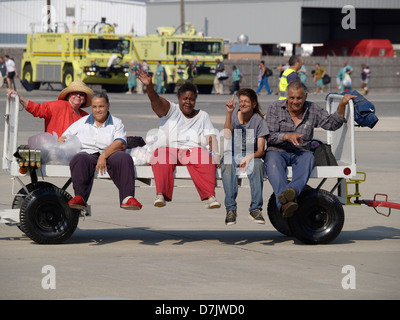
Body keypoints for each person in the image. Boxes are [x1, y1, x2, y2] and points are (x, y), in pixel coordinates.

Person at [264, 80, 356, 218]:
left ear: (305, 97)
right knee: (272, 163)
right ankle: (284, 204)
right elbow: (270, 137)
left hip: (301, 152)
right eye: (292, 98)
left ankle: (292, 191)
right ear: (287, 97)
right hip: (278, 151)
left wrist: (342, 104)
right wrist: (286, 136)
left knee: (308, 158)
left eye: (299, 98)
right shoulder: (275, 108)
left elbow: (332, 124)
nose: (295, 101)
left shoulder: (313, 109)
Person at [137, 68, 221, 209]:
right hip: (170, 150)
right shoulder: (171, 110)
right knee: (160, 155)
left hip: (192, 152)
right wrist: (149, 86)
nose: (188, 102)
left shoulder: (203, 116)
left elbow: (211, 138)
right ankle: (160, 194)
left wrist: (217, 156)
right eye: (185, 99)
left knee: (205, 157)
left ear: (195, 100)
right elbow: (155, 100)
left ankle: (210, 197)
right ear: (179, 99)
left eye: (192, 99)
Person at [59, 91, 142, 211]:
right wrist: (61, 139)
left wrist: (104, 155)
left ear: (108, 106)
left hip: (110, 153)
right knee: (79, 158)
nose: (98, 110)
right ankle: (80, 197)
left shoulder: (116, 123)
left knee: (124, 158)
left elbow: (120, 143)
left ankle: (127, 198)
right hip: (88, 153)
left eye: (101, 106)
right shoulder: (82, 122)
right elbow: (64, 137)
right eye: (94, 107)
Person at [222, 88, 269, 225]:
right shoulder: (234, 117)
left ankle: (255, 209)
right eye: (240, 101)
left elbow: (261, 150)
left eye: (246, 101)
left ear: (254, 104)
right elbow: (226, 135)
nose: (242, 104)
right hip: (232, 154)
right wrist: (229, 113)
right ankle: (231, 209)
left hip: (251, 155)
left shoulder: (259, 121)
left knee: (258, 165)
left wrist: (248, 157)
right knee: (228, 163)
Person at [8, 80, 94, 138]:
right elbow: (38, 110)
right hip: (54, 150)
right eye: (74, 93)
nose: (78, 96)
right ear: (68, 96)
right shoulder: (58, 105)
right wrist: (20, 98)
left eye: (81, 94)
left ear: (84, 99)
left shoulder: (85, 116)